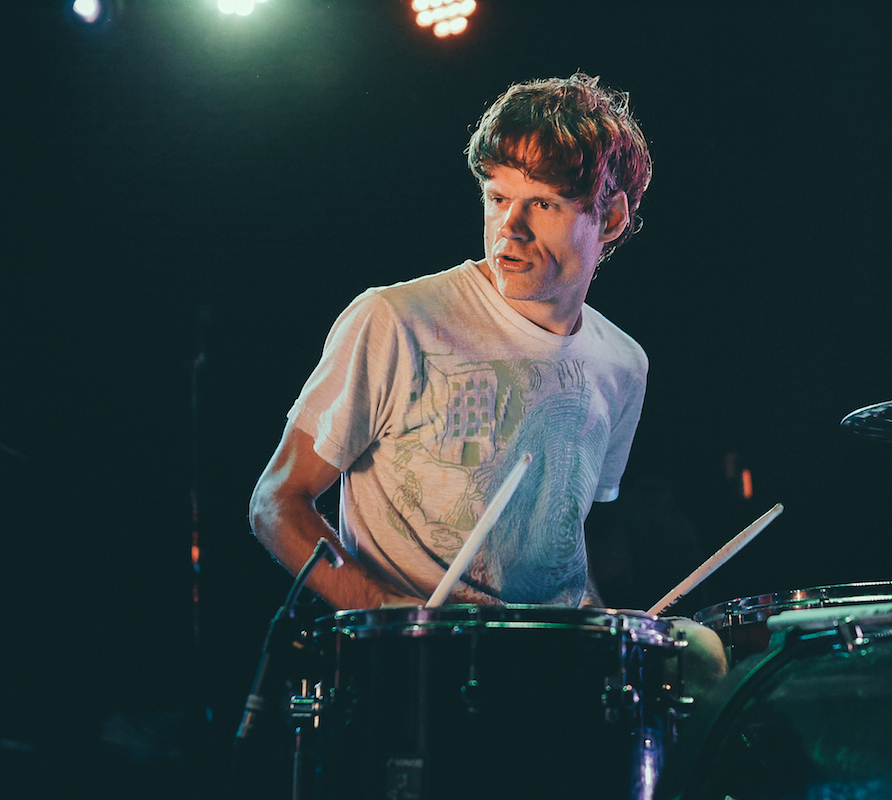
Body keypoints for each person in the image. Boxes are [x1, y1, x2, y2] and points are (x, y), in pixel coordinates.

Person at [249, 73, 653, 612]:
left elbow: (563, 553)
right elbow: (277, 503)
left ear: (611, 217)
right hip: (412, 677)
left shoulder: (622, 364)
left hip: (545, 677)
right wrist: (392, 617)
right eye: (498, 197)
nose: (510, 228)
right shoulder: (394, 321)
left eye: (544, 204)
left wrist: (601, 629)